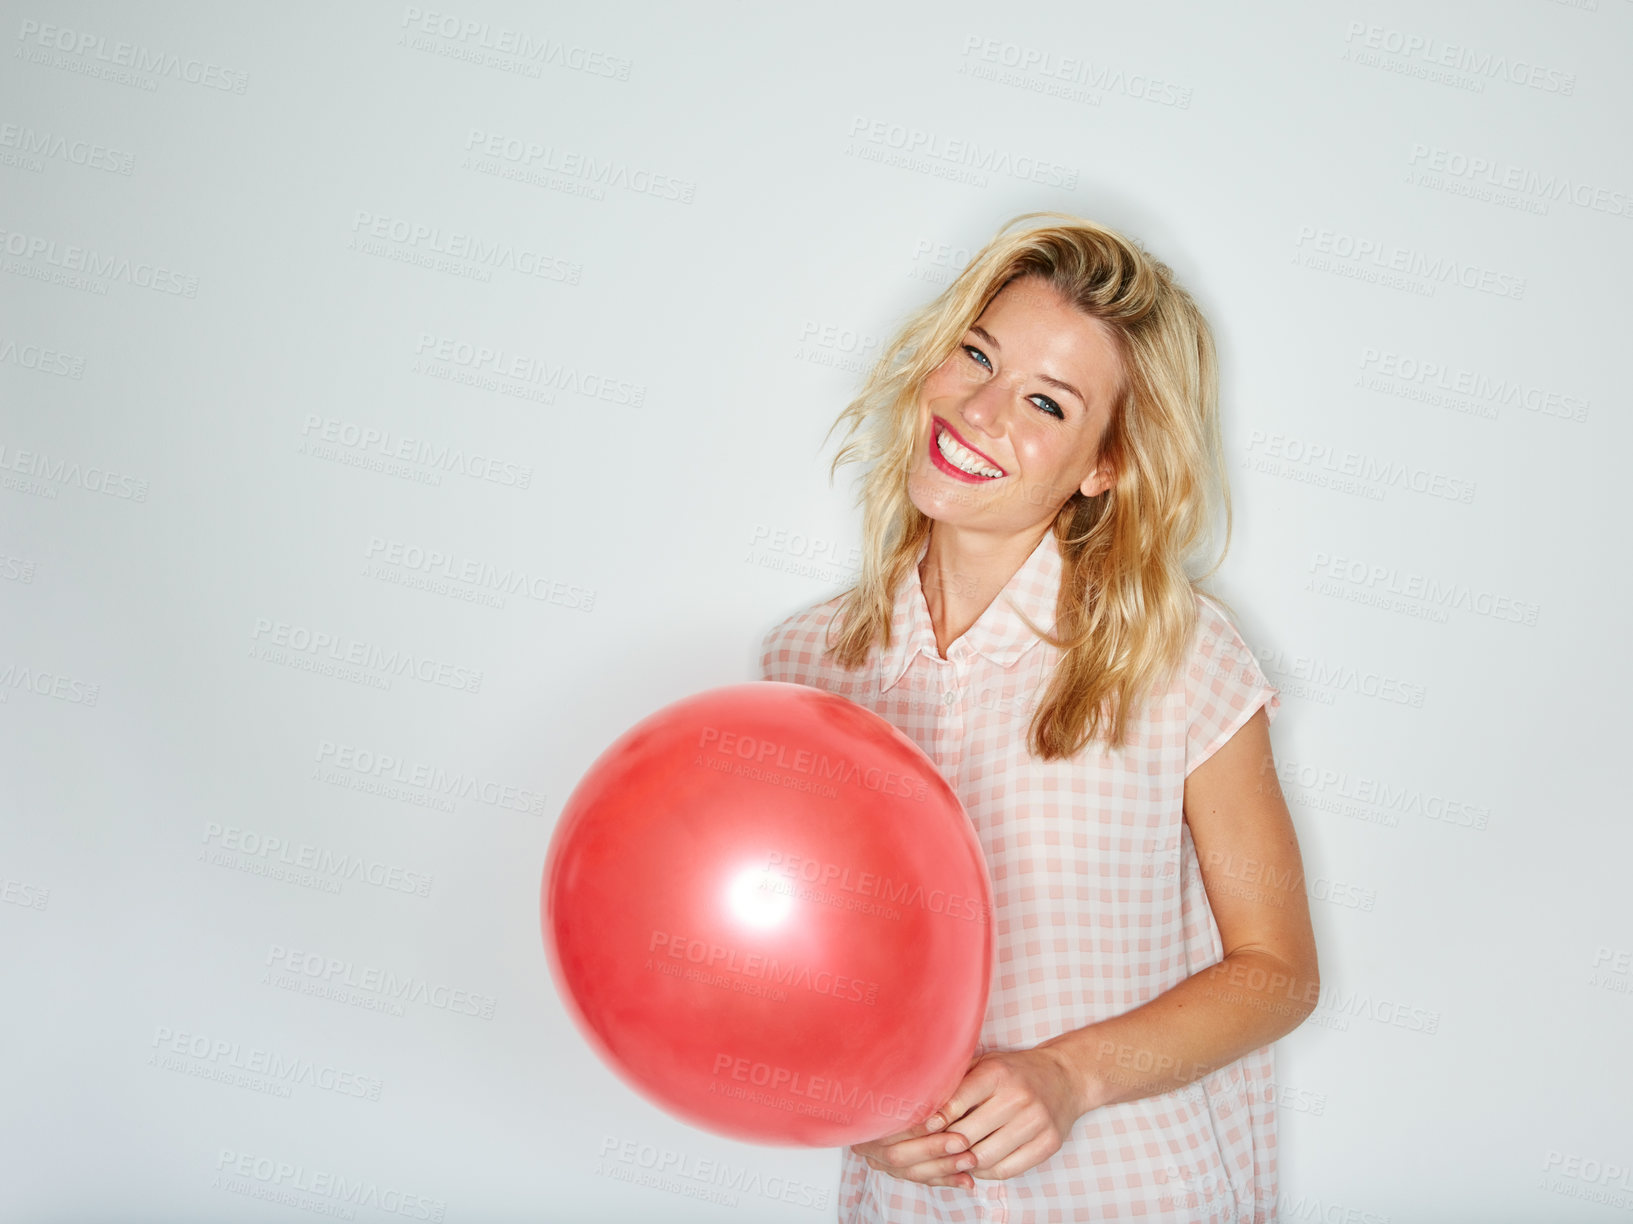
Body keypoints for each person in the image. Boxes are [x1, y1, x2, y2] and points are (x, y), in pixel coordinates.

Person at [758, 212, 1319, 1223]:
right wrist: (856, 1109)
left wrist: (1070, 1076)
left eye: (1045, 404)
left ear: (1103, 466)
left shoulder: (1181, 654)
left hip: (1133, 1195)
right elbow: (793, 967)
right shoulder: (807, 666)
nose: (978, 409)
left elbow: (1276, 974)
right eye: (976, 354)